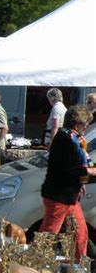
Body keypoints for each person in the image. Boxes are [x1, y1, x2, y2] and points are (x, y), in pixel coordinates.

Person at [39, 106, 96, 260]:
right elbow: (68, 168)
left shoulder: (73, 138)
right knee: (48, 234)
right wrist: (89, 172)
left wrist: (82, 181)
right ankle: (33, 263)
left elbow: (75, 164)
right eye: (85, 124)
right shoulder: (65, 139)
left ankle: (79, 267)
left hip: (69, 196)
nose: (87, 127)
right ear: (77, 123)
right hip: (59, 196)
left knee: (80, 232)